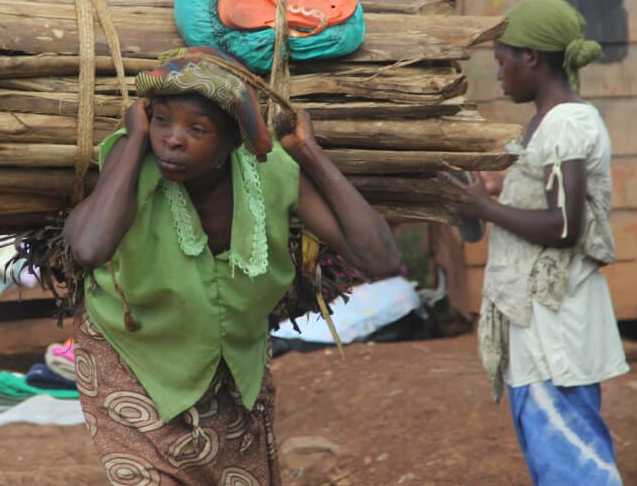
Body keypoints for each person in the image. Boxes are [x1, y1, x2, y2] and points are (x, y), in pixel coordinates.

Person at [61, 47, 400, 483]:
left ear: (232, 141)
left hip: (233, 368)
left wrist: (311, 154)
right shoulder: (133, 164)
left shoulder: (272, 171)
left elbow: (380, 258)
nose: (173, 139)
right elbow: (89, 247)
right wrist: (132, 144)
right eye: (162, 120)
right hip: (132, 355)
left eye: (196, 128)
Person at [444, 0, 628, 486]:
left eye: (502, 62)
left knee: (572, 465)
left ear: (531, 57)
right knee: (558, 459)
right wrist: (488, 188)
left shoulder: (567, 123)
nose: (499, 75)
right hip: (540, 321)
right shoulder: (546, 124)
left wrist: (484, 208)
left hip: (555, 327)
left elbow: (564, 226)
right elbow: (537, 192)